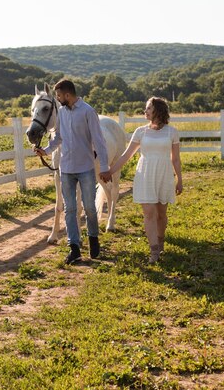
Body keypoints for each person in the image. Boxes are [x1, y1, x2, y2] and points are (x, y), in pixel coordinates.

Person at [34, 79, 110, 264]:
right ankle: (74, 247)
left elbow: (99, 141)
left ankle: (93, 238)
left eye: (59, 96)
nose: (57, 99)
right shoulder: (61, 113)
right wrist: (46, 150)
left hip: (85, 168)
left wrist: (106, 167)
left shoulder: (87, 111)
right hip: (66, 168)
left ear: (67, 95)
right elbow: (58, 137)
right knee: (70, 209)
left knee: (90, 208)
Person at [100, 96, 183, 263]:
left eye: (148, 109)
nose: (145, 111)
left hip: (164, 174)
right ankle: (154, 251)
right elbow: (126, 156)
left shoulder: (171, 132)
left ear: (158, 111)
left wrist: (179, 179)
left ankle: (160, 241)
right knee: (149, 213)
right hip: (145, 174)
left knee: (161, 214)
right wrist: (110, 171)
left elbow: (175, 159)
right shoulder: (140, 131)